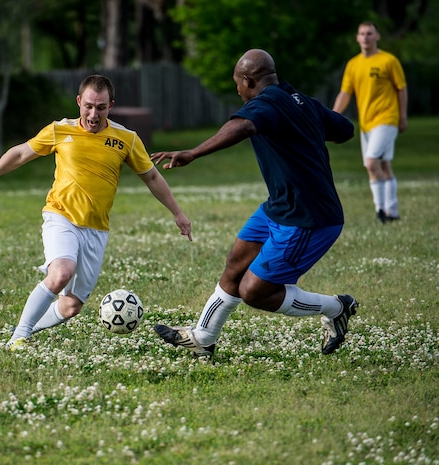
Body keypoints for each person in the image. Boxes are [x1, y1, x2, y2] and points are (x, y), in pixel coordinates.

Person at [150, 49, 358, 358]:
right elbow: (345, 130)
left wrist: (193, 153)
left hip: (309, 218)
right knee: (236, 261)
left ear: (248, 80)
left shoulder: (265, 105)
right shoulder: (300, 101)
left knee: (254, 292)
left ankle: (337, 307)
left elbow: (244, 126)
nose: (237, 90)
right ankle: (204, 337)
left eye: (237, 83)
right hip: (279, 207)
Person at [0, 74, 192, 350]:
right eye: (89, 106)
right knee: (61, 273)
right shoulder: (60, 130)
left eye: (101, 107)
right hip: (61, 216)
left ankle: (24, 327)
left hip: (96, 229)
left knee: (70, 307)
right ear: (79, 102)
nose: (94, 114)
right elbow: (21, 153)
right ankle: (19, 337)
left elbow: (152, 177)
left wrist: (177, 213)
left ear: (111, 106)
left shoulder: (126, 139)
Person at [333, 21, 408, 223]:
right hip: (367, 123)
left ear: (377, 37)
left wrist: (402, 117)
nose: (365, 37)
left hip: (387, 118)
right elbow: (345, 93)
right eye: (362, 34)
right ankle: (392, 212)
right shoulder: (353, 64)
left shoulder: (388, 61)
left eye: (369, 33)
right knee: (383, 164)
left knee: (371, 162)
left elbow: (401, 88)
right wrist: (332, 116)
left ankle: (380, 211)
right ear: (357, 38)